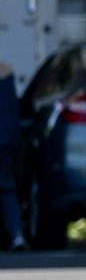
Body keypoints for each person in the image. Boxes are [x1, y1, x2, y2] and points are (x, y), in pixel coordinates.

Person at [0, 61, 26, 251]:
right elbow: (13, 110)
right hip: (6, 139)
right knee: (7, 188)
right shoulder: (6, 72)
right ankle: (16, 235)